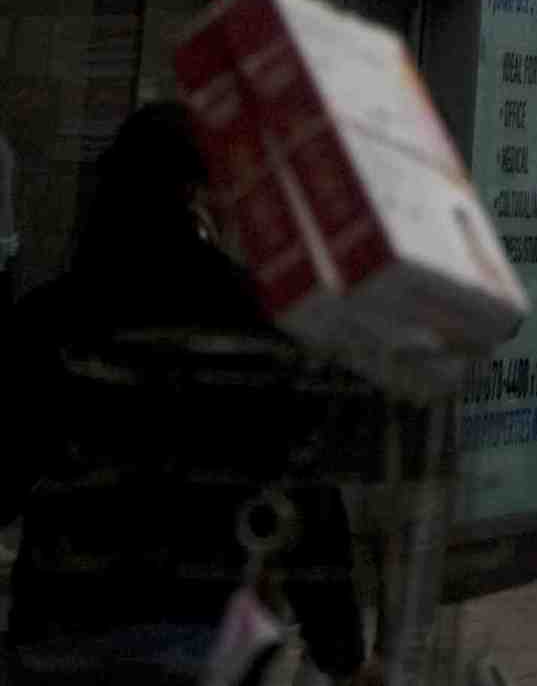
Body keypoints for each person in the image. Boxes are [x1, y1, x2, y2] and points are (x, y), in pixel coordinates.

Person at [0, 98, 371, 680]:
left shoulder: (53, 316)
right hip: (200, 638)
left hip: (58, 628)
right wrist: (340, 649)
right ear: (198, 194)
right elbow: (309, 501)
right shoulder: (255, 318)